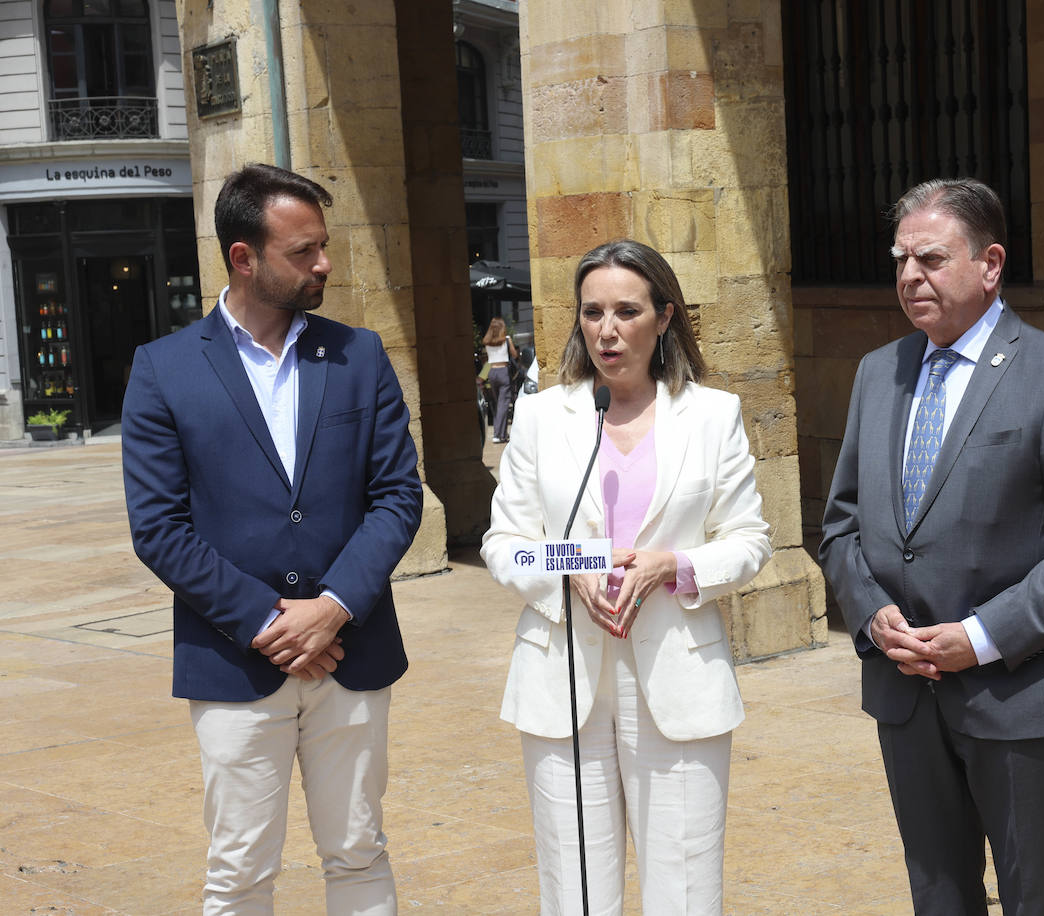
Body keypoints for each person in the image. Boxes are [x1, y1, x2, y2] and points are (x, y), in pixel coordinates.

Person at [818, 178, 1044, 915]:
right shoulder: (877, 373)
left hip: (1016, 695)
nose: (908, 276)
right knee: (938, 896)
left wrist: (978, 637)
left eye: (930, 258)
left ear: (990, 264)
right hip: (905, 694)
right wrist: (871, 614)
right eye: (900, 259)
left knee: (1031, 897)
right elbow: (840, 525)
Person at [121, 163, 423, 915]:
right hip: (231, 661)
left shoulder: (358, 355)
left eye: (323, 246)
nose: (323, 264)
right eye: (303, 251)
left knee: (358, 851)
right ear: (243, 257)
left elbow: (396, 497)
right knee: (240, 870)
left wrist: (335, 606)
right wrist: (267, 620)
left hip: (351, 652)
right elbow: (157, 526)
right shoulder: (162, 370)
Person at [481, 239, 772, 914]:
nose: (608, 330)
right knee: (575, 887)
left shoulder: (712, 415)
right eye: (592, 313)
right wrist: (572, 566)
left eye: (626, 311)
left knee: (686, 882)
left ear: (664, 317)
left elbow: (750, 541)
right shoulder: (542, 415)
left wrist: (677, 564)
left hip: (679, 671)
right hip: (563, 676)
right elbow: (504, 545)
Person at [482, 315, 518, 442]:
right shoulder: (507, 339)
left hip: (492, 372)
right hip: (503, 371)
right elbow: (514, 354)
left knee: (499, 404)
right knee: (503, 404)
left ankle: (502, 434)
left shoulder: (487, 341)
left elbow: (487, 361)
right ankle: (497, 434)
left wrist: (482, 376)